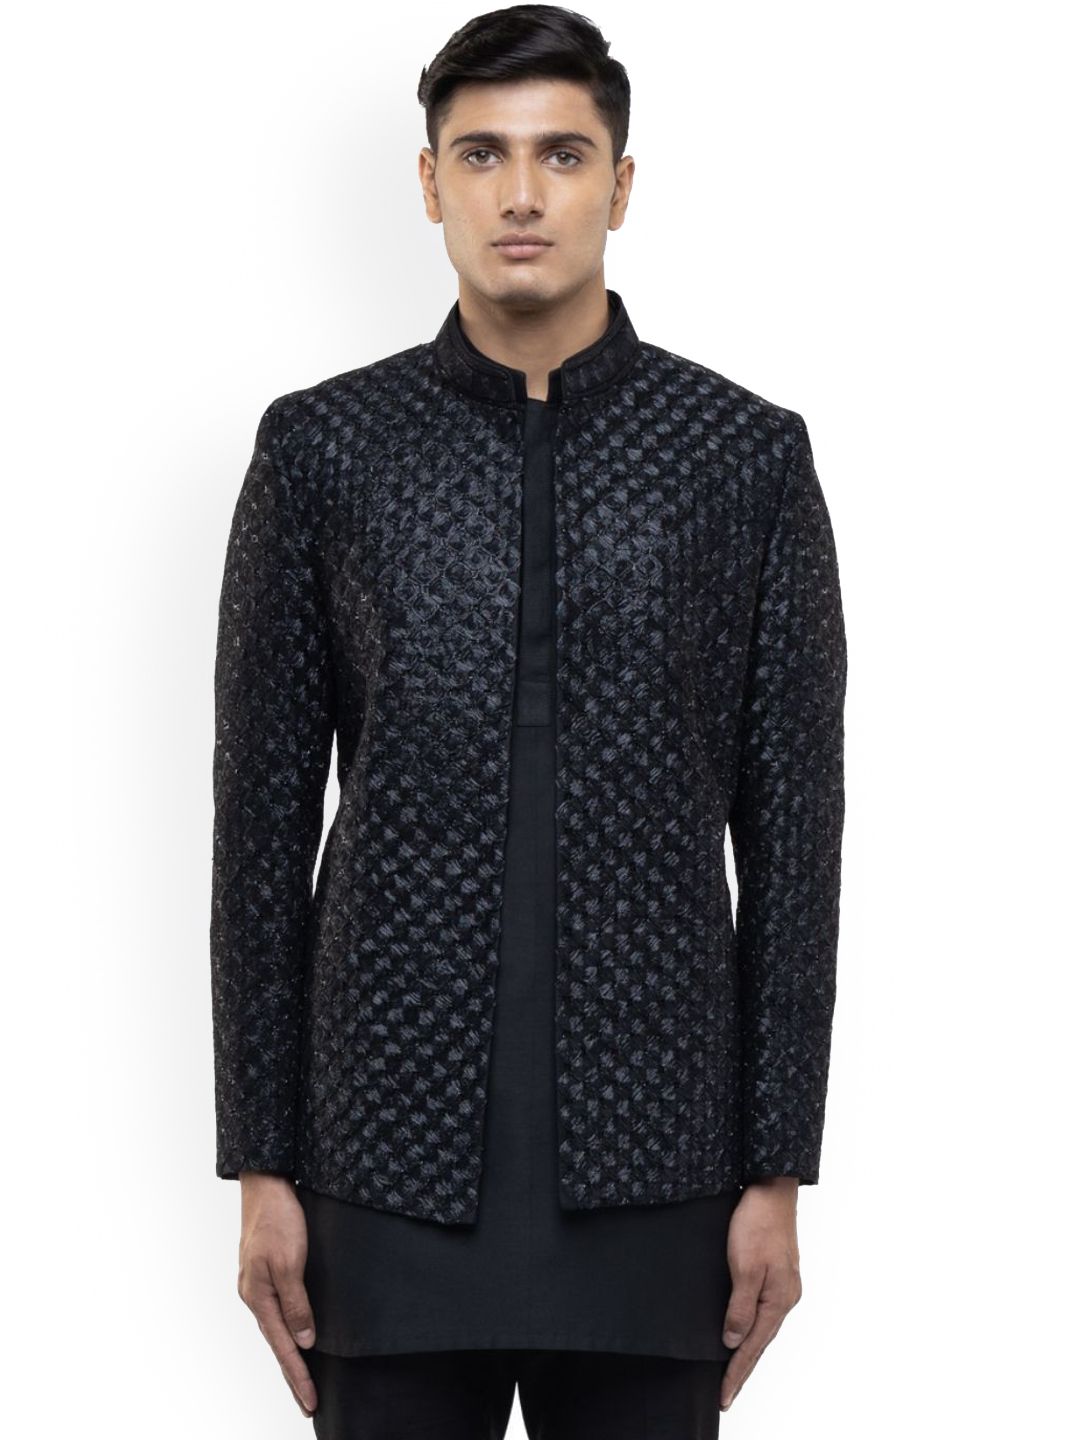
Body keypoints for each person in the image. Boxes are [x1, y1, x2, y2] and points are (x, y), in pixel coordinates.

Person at [209, 6, 848, 1436]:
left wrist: (776, 1171)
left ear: (620, 186)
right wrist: (260, 1162)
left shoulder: (744, 458)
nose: (520, 194)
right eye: (481, 154)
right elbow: (259, 830)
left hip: (663, 1168)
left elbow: (796, 842)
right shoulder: (323, 450)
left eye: (562, 155)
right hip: (380, 1165)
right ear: (429, 181)